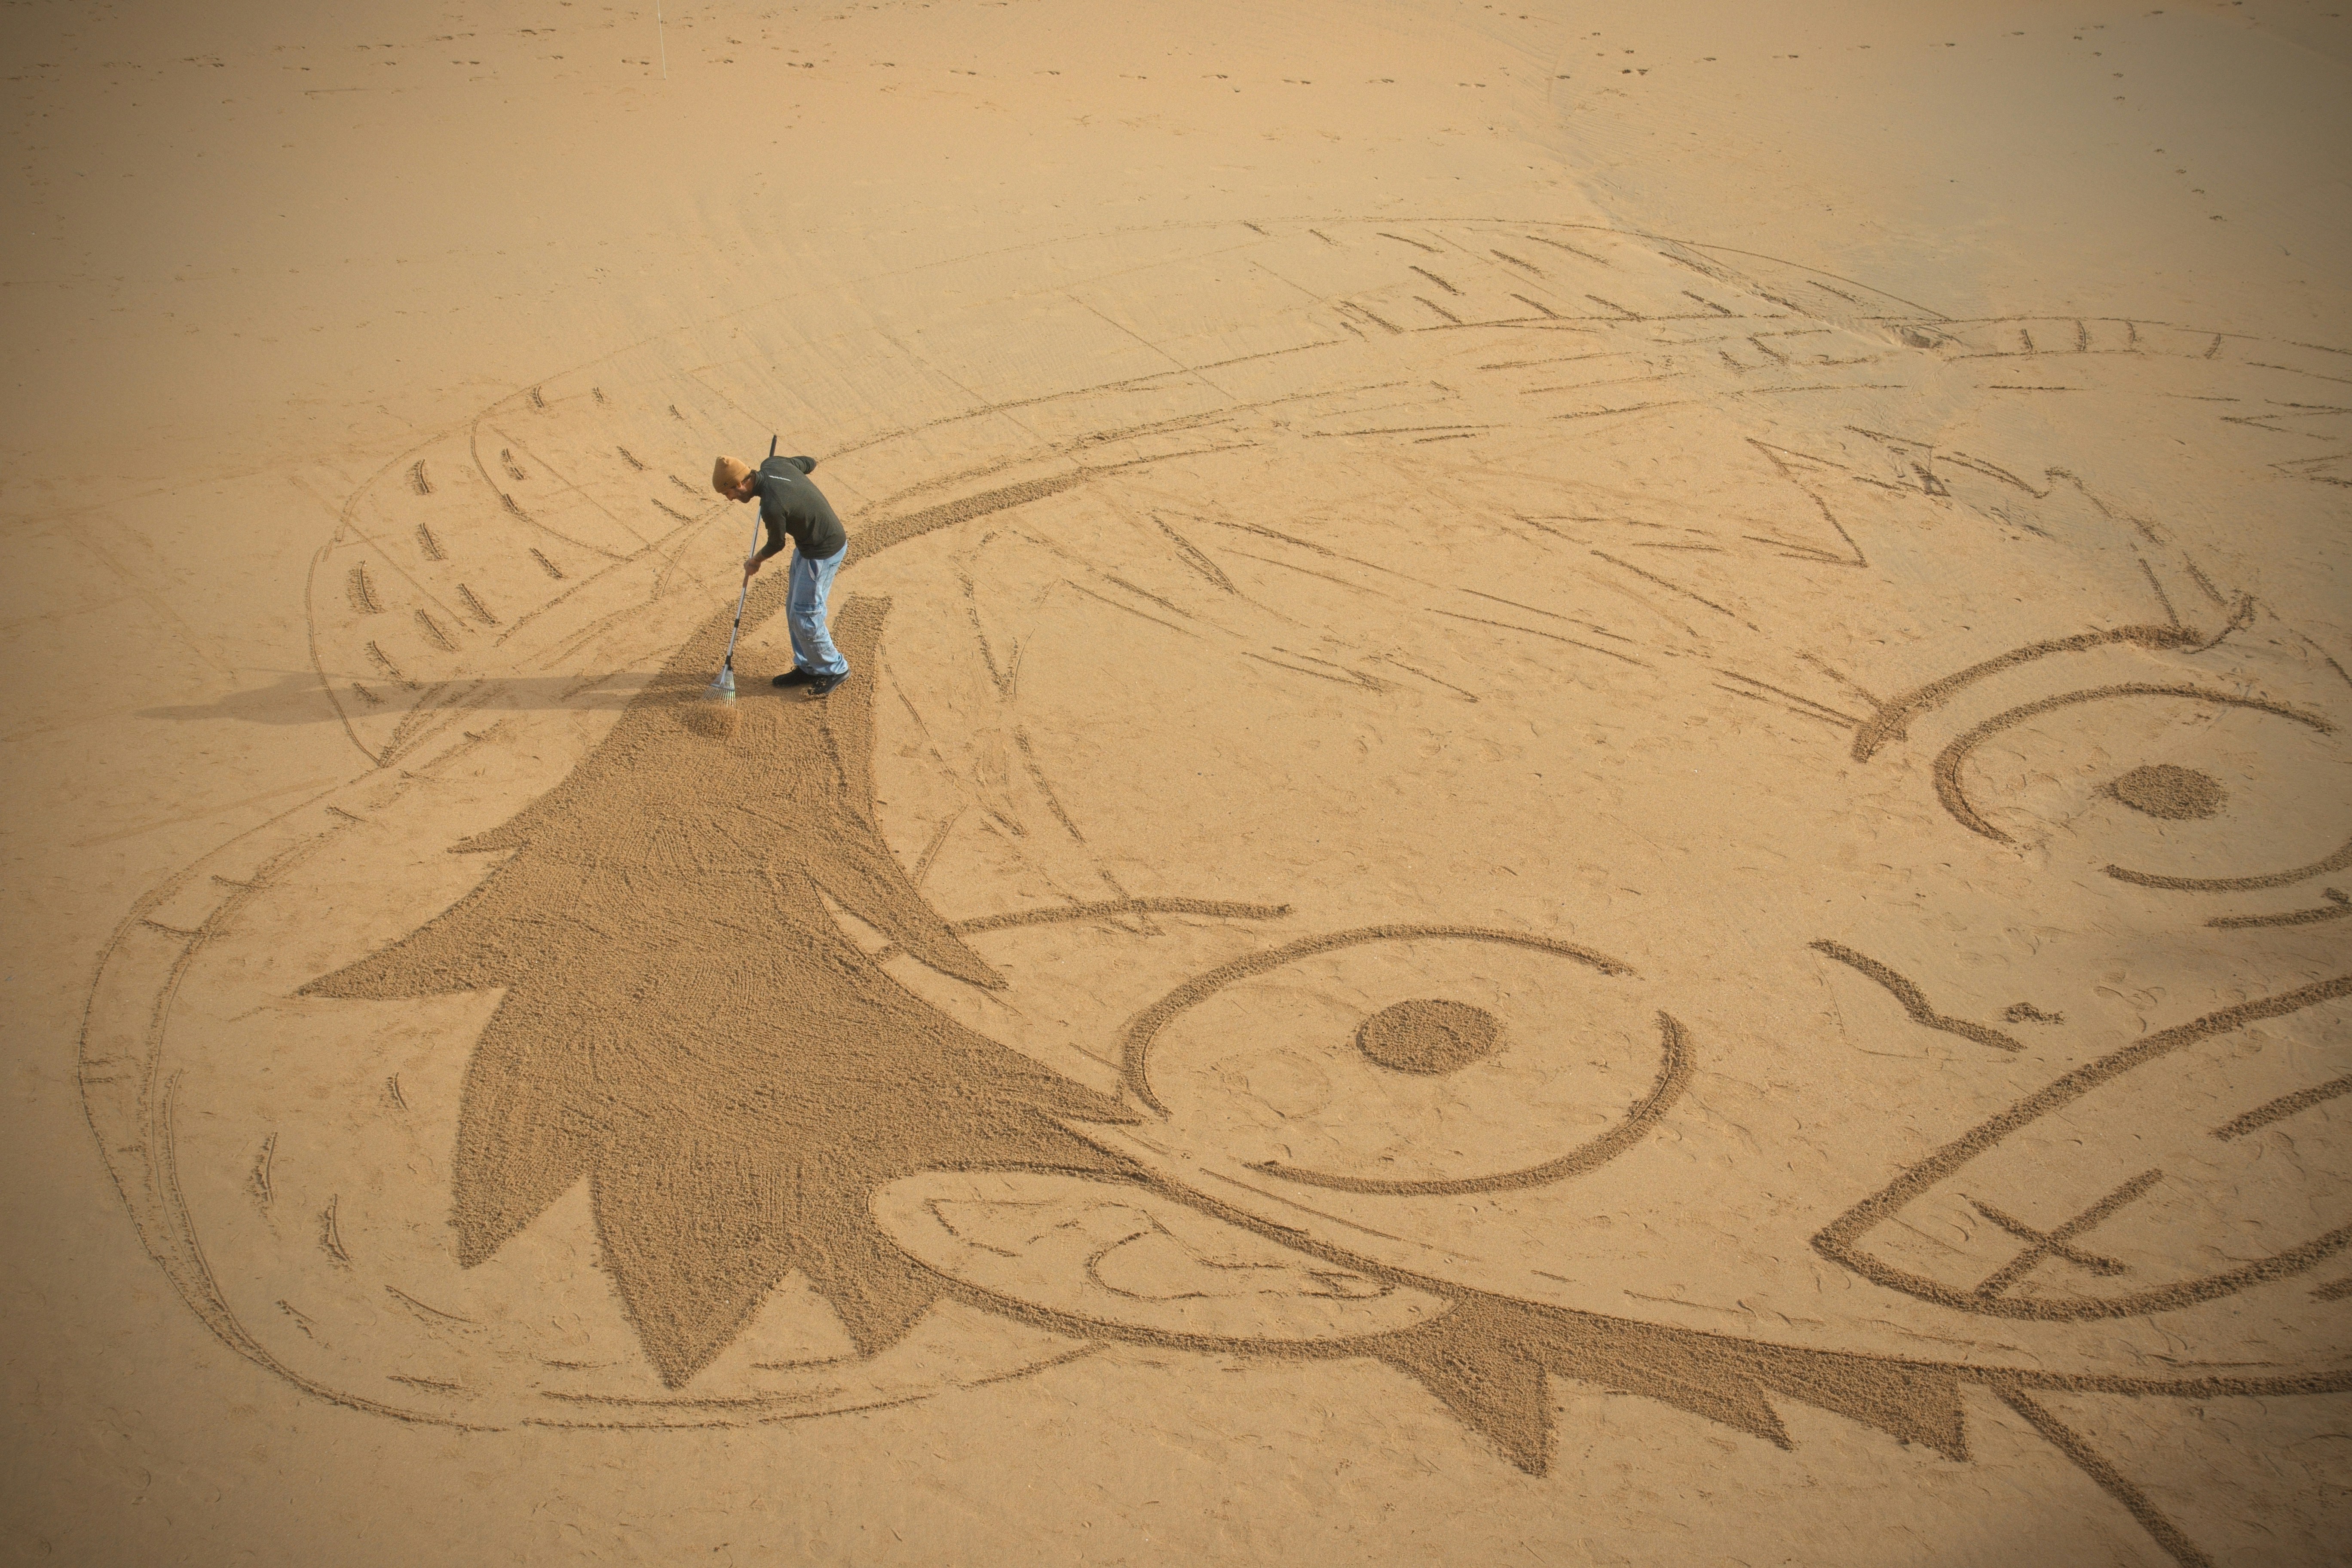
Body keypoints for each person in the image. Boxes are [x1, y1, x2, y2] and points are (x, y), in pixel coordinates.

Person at [713, 451, 851, 695]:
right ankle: (809, 666)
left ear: (740, 484)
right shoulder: (774, 464)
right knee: (793, 609)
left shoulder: (772, 506)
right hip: (808, 545)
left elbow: (777, 543)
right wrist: (793, 485)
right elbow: (809, 463)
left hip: (823, 550)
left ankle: (834, 669)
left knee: (805, 616)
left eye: (728, 493)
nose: (730, 499)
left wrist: (755, 561)